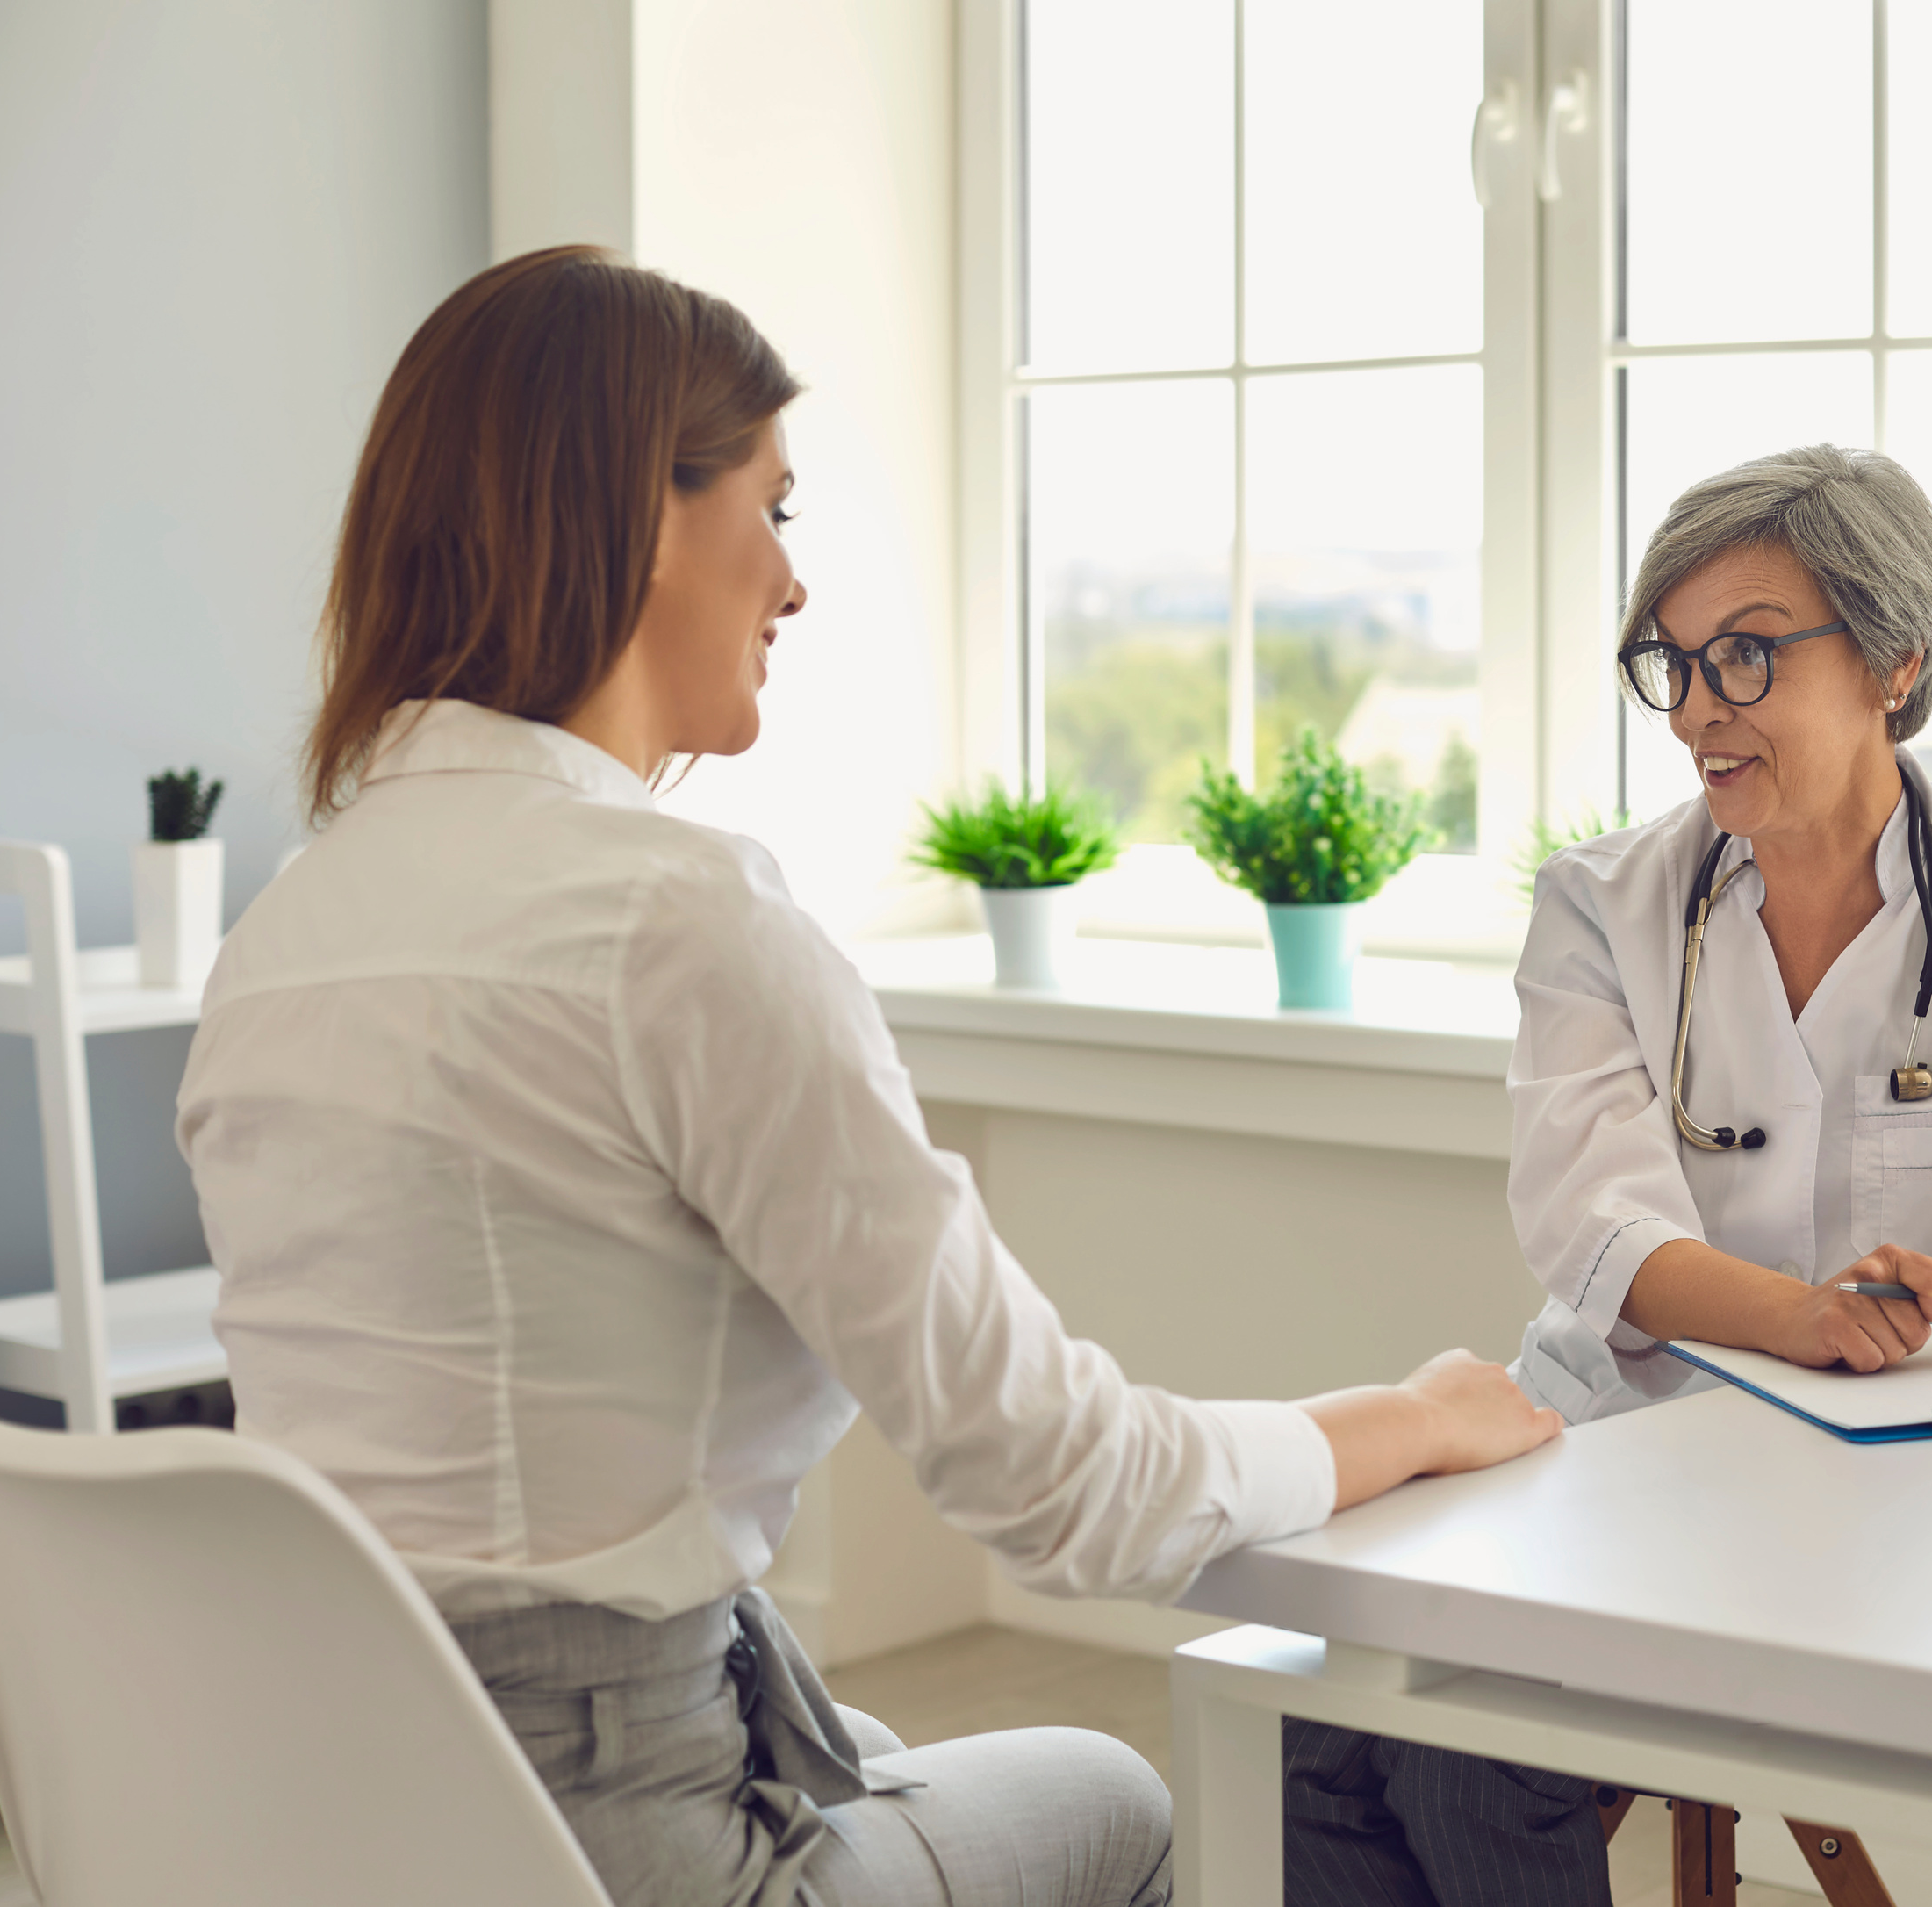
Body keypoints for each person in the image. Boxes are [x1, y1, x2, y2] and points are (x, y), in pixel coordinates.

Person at [174, 246, 1561, 1907]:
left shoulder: (289, 929)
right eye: (772, 508)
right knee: (1115, 1794)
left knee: (907, 1750)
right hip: (618, 1845)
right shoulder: (674, 920)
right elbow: (1067, 1491)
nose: (791, 581)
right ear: (639, 513)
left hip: (326, 1824)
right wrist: (1402, 1418)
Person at [1282, 444, 1932, 1904]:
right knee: (1317, 1732)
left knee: (1463, 1749)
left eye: (1748, 656)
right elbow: (1593, 1225)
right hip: (1615, 1437)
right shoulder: (1602, 902)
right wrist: (1794, 1314)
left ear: (1894, 660)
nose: (1699, 706)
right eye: (1675, 662)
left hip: (1885, 1488)